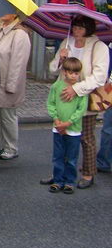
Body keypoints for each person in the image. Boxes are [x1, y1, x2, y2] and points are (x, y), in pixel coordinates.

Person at [47, 15, 108, 189]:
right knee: (61, 138)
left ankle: (88, 173)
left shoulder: (98, 47)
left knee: (86, 138)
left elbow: (99, 77)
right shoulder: (66, 43)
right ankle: (60, 174)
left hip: (84, 98)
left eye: (81, 27)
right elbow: (52, 70)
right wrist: (60, 59)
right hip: (64, 99)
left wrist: (76, 89)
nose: (76, 31)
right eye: (74, 26)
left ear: (89, 29)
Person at [0, 13, 32, 161]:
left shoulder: (20, 34)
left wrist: (11, 85)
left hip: (7, 82)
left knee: (8, 117)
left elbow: (18, 63)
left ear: (14, 14)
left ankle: (11, 147)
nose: (3, 13)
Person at [41, 57, 88, 194]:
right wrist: (56, 120)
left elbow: (81, 109)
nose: (74, 75)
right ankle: (58, 180)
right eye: (71, 72)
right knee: (58, 156)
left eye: (76, 73)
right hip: (58, 127)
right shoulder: (56, 86)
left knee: (71, 158)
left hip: (73, 129)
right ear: (65, 72)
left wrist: (69, 122)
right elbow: (51, 103)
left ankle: (69, 181)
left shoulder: (80, 89)